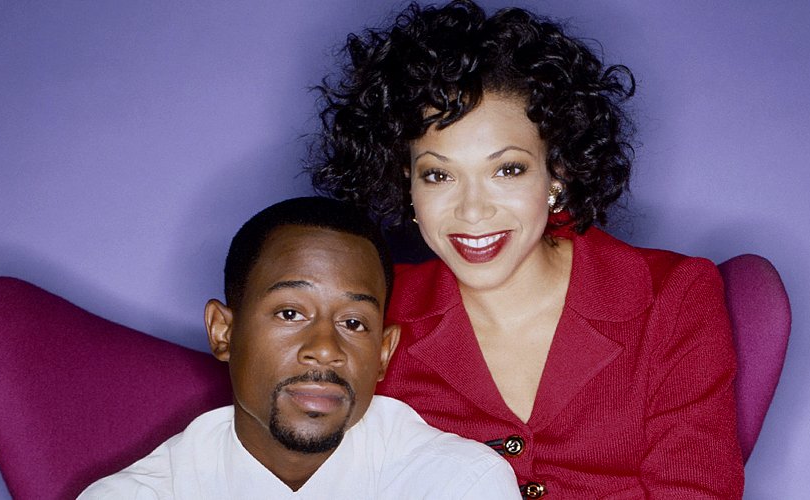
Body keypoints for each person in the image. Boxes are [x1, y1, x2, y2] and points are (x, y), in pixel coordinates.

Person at [309, 2, 744, 498]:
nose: (472, 211)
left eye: (507, 169)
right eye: (438, 174)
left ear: (556, 172)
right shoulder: (374, 309)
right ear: (406, 184)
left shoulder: (673, 296)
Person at [80, 197, 519, 499]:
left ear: (384, 352)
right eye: (290, 314)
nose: (325, 349)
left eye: (353, 322)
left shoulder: (456, 483)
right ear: (222, 332)